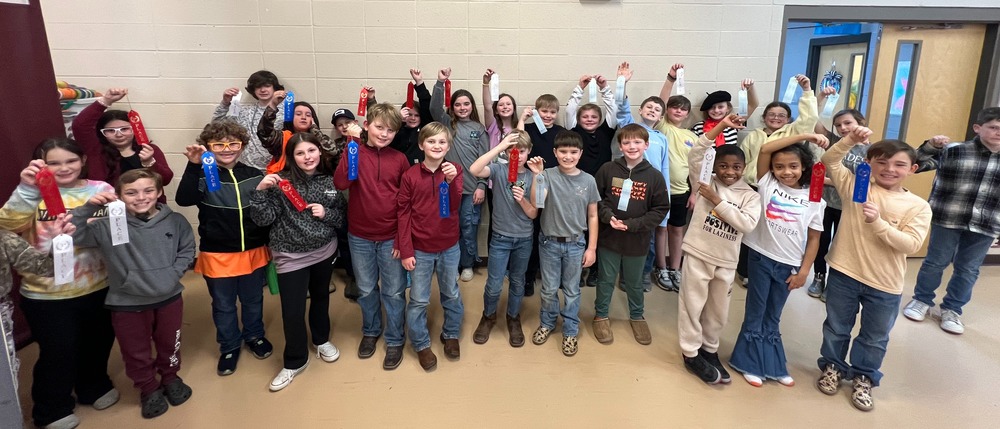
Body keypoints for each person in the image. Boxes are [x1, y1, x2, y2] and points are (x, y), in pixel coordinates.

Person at [0, 139, 119, 429]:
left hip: (97, 284)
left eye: (70, 161)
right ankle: (51, 408)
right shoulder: (31, 194)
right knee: (58, 350)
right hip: (46, 292)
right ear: (40, 165)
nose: (64, 168)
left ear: (82, 161)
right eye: (54, 163)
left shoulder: (101, 189)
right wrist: (27, 189)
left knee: (98, 341)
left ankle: (94, 386)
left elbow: (114, 231)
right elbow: (6, 225)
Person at [816, 127, 931, 412]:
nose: (889, 169)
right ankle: (833, 366)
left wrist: (878, 223)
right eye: (881, 161)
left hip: (885, 284)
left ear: (912, 169)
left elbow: (911, 245)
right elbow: (829, 160)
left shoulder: (918, 206)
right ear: (868, 163)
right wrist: (851, 140)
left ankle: (864, 377)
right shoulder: (857, 185)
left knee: (874, 337)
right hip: (844, 272)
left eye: (899, 164)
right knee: (836, 327)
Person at [71, 169, 195, 419]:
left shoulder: (176, 221)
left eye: (148, 190)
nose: (141, 197)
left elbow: (187, 249)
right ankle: (148, 388)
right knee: (135, 350)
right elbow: (73, 234)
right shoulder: (106, 225)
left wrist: (172, 275)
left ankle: (170, 377)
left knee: (171, 343)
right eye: (131, 192)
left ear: (159, 192)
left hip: (169, 297)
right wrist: (86, 209)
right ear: (119, 195)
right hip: (127, 301)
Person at [728, 133, 828, 387]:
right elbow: (765, 149)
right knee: (755, 312)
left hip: (789, 264)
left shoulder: (815, 198)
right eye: (779, 166)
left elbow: (814, 239)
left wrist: (804, 271)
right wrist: (807, 136)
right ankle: (746, 363)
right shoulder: (767, 183)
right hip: (761, 257)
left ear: (803, 167)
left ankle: (773, 365)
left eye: (793, 166)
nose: (786, 172)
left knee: (773, 315)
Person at [175, 119, 274, 377]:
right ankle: (229, 346)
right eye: (218, 144)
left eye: (233, 143)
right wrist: (193, 165)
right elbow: (184, 199)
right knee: (223, 305)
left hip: (253, 251)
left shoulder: (253, 174)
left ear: (242, 146)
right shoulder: (202, 175)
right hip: (218, 255)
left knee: (253, 300)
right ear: (208, 146)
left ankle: (254, 335)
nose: (226, 148)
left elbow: (265, 212)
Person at [250, 133, 346, 392]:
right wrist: (260, 192)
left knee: (320, 298)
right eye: (300, 153)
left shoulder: (329, 181)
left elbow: (341, 218)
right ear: (291, 157)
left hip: (324, 251)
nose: (308, 157)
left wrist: (327, 213)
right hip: (290, 256)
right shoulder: (281, 183)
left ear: (319, 152)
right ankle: (295, 360)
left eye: (311, 151)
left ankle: (321, 340)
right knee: (291, 310)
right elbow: (263, 219)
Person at [678, 114, 761, 385]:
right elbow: (698, 152)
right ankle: (690, 352)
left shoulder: (750, 195)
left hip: (726, 261)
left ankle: (709, 349)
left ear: (744, 167)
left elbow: (746, 224)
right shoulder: (704, 181)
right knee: (692, 305)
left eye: (736, 167)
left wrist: (716, 202)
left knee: (717, 311)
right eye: (723, 166)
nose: (729, 172)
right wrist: (723, 126)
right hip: (698, 253)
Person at [903, 106, 1000, 334]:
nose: (998, 132)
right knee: (936, 261)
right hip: (948, 216)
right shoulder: (955, 150)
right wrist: (930, 146)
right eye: (993, 127)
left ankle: (952, 309)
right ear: (978, 128)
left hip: (986, 222)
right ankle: (922, 300)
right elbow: (916, 164)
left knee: (968, 269)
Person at [333, 103, 410, 370]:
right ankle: (371, 330)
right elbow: (341, 182)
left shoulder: (399, 159)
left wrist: (402, 238)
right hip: (360, 236)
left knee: (394, 291)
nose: (384, 134)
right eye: (379, 127)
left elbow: (405, 203)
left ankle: (395, 338)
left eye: (390, 130)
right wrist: (351, 144)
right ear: (367, 126)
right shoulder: (355, 150)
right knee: (366, 289)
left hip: (390, 236)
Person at [734, 74, 818, 287]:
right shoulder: (754, 135)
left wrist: (807, 90)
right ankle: (745, 270)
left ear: (788, 119)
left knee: (771, 227)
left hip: (778, 188)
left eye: (782, 115)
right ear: (764, 117)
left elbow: (808, 119)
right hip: (752, 186)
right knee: (749, 228)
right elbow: (744, 159)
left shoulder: (792, 132)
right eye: (771, 114)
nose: (776, 118)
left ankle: (772, 268)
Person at [592, 124, 670, 346]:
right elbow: (597, 198)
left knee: (634, 282)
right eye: (626, 142)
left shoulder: (654, 177)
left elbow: (660, 209)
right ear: (620, 145)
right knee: (606, 279)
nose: (632, 146)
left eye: (637, 142)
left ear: (646, 145)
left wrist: (634, 225)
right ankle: (601, 314)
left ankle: (637, 315)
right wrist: (608, 217)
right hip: (610, 238)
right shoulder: (608, 169)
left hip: (638, 240)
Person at [397, 122, 464, 371]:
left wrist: (451, 180)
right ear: (421, 144)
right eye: (432, 141)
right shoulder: (410, 176)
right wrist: (406, 250)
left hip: (448, 246)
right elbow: (402, 214)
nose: (437, 146)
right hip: (421, 249)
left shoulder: (455, 169)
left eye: (442, 142)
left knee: (452, 293)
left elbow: (455, 205)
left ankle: (451, 334)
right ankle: (422, 343)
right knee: (418, 299)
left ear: (448, 146)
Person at [528, 131, 599, 357]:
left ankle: (570, 329)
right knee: (548, 289)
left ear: (580, 153)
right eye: (563, 152)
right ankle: (547, 322)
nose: (568, 156)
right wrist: (538, 177)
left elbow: (593, 216)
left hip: (576, 244)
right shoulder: (547, 175)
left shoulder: (588, 180)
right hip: (549, 243)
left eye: (573, 152)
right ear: (555, 153)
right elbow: (537, 202)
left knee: (571, 290)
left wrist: (592, 247)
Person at [468, 131, 537, 347]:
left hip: (524, 238)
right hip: (500, 238)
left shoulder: (533, 175)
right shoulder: (498, 169)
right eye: (512, 151)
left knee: (517, 281)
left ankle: (513, 317)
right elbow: (474, 169)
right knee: (494, 284)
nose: (517, 155)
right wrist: (499, 148)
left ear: (529, 151)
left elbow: (534, 213)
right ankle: (488, 316)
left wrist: (523, 201)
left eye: (522, 151)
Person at [615, 61, 672, 292]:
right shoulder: (629, 127)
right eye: (648, 107)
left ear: (660, 117)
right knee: (624, 234)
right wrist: (621, 82)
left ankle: (642, 275)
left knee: (646, 238)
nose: (652, 110)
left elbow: (664, 169)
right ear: (640, 110)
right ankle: (624, 276)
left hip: (651, 193)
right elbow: (620, 107)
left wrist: (664, 198)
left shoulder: (661, 138)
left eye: (657, 109)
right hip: (627, 190)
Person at [0, 215, 74, 391]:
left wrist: (59, 242)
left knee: (6, 375)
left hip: (1, 312)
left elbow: (46, 267)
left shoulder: (4, 238)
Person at [431, 67, 489, 282]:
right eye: (457, 104)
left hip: (472, 190)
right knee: (448, 227)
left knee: (468, 228)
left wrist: (482, 185)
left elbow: (486, 160)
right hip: (448, 188)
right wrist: (440, 82)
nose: (462, 107)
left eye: (466, 103)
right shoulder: (447, 125)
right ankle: (450, 266)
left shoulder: (479, 129)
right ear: (452, 108)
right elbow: (434, 108)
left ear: (472, 106)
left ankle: (467, 264)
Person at [808, 100, 869, 300]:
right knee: (820, 240)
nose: (842, 128)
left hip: (849, 207)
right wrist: (822, 97)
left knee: (840, 244)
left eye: (847, 123)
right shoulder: (835, 143)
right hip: (825, 204)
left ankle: (834, 283)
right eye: (838, 125)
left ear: (860, 122)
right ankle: (818, 277)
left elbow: (865, 181)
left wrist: (829, 180)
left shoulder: (871, 151)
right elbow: (813, 119)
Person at [72, 87, 174, 198]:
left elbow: (166, 180)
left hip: (147, 206)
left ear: (134, 129)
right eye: (110, 131)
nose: (119, 134)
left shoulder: (148, 149)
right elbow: (80, 125)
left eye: (124, 129)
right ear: (101, 132)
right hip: (107, 207)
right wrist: (106, 100)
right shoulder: (95, 150)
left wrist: (150, 162)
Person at [655, 63, 700, 291]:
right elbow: (661, 102)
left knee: (677, 229)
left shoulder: (691, 135)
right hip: (661, 191)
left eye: (683, 109)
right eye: (674, 108)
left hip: (682, 191)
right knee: (661, 229)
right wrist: (670, 79)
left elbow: (695, 167)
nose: (678, 111)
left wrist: (694, 192)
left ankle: (675, 268)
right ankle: (661, 267)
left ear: (687, 113)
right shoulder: (662, 126)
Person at [520, 93, 569, 296]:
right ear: (537, 112)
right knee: (533, 231)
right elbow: (517, 143)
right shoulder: (529, 129)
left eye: (552, 112)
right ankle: (529, 277)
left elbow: (567, 156)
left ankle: (556, 277)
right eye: (544, 111)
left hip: (555, 184)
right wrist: (523, 119)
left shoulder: (561, 132)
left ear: (557, 113)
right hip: (533, 183)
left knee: (552, 229)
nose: (548, 115)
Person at [213, 70, 287, 171]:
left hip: (279, 169)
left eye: (267, 86)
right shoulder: (245, 111)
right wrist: (225, 103)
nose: (262, 90)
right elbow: (217, 126)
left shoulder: (287, 111)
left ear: (274, 87)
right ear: (253, 90)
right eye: (258, 87)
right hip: (249, 171)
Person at [258, 96, 338, 176]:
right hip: (286, 183)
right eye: (298, 114)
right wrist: (272, 105)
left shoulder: (318, 137)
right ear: (290, 117)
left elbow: (333, 152)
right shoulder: (282, 138)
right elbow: (264, 133)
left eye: (308, 115)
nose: (303, 117)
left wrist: (315, 130)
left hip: (316, 182)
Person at [689, 79, 759, 146]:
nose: (716, 110)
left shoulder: (734, 122)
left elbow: (753, 105)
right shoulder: (698, 127)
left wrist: (750, 88)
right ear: (707, 109)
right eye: (712, 107)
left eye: (720, 107)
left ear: (728, 108)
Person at [391, 69, 433, 165]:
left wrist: (419, 83)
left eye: (417, 115)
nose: (413, 118)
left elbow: (426, 105)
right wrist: (398, 121)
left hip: (421, 171)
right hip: (400, 171)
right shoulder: (395, 131)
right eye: (409, 114)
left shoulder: (425, 129)